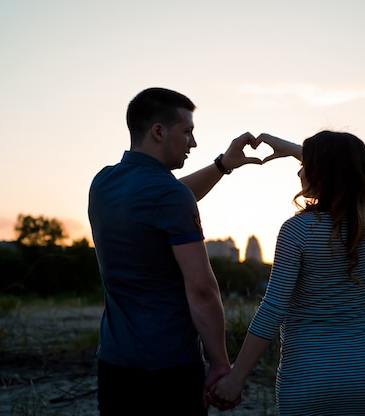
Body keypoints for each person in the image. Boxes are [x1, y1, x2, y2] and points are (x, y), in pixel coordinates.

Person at [88, 87, 260, 415]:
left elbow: (166, 198)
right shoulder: (169, 196)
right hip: (169, 368)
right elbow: (202, 290)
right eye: (188, 132)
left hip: (113, 364)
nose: (193, 143)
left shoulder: (102, 184)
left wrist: (223, 164)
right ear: (158, 131)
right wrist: (221, 365)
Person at [210, 131, 365, 415]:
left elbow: (273, 309)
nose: (299, 171)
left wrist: (236, 376)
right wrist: (295, 149)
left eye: (306, 164)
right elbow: (344, 171)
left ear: (322, 173)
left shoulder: (297, 231)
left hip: (306, 383)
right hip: (362, 382)